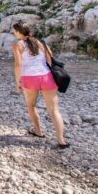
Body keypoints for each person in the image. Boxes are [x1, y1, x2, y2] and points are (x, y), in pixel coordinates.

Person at [12, 21, 69, 149]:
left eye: (14, 31)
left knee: (31, 105)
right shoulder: (40, 42)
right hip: (46, 76)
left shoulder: (17, 45)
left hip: (29, 77)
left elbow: (18, 64)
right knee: (54, 109)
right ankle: (61, 140)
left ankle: (38, 130)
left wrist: (18, 81)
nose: (13, 33)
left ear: (19, 32)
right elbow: (50, 58)